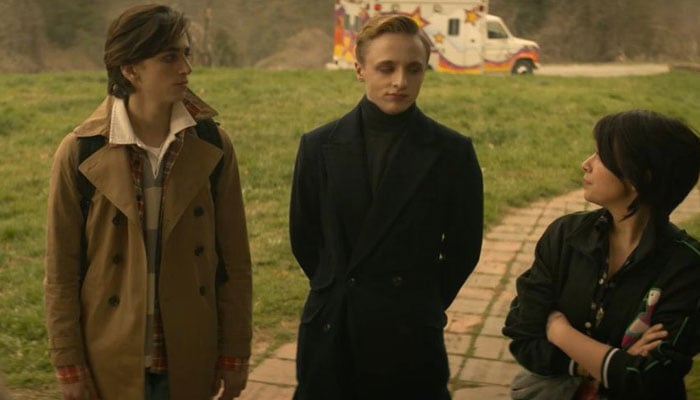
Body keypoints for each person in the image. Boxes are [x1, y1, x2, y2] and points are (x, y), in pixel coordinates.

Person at [44, 4, 252, 400]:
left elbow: (235, 261)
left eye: (186, 53)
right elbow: (61, 272)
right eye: (169, 57)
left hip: (190, 354)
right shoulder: (80, 151)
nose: (186, 68)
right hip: (110, 359)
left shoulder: (212, 144)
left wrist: (235, 352)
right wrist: (68, 364)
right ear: (130, 69)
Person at [289, 14, 484, 400]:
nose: (400, 81)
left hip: (408, 333)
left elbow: (463, 249)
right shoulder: (318, 146)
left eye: (414, 69)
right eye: (386, 68)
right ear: (360, 69)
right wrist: (335, 290)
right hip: (333, 328)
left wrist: (421, 303)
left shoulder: (451, 152)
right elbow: (304, 237)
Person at [503, 109, 700, 399]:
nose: (586, 164)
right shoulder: (566, 235)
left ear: (640, 176)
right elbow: (522, 334)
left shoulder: (687, 266)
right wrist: (609, 361)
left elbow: (652, 377)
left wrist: (559, 331)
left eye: (601, 155)